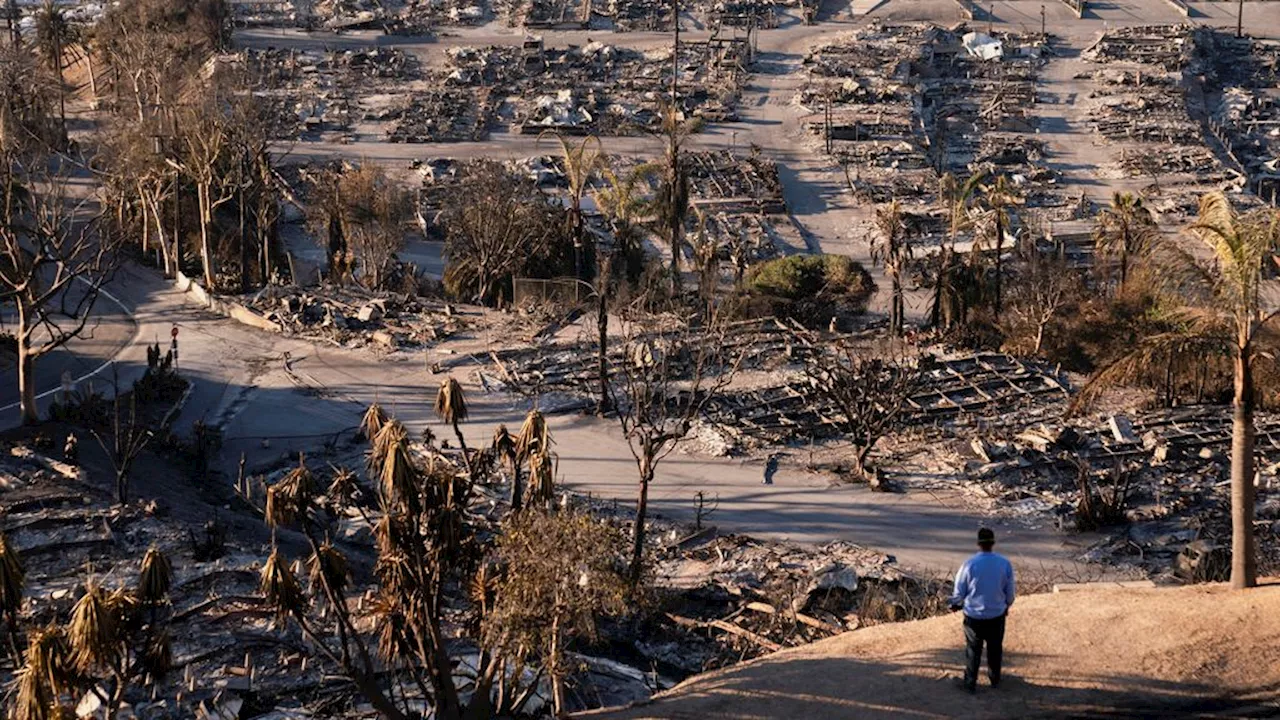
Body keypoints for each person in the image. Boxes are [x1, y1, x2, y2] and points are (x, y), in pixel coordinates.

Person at [949, 527, 1016, 694]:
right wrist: (1006, 605)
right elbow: (1010, 593)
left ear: (978, 543)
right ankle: (995, 678)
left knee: (973, 649)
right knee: (995, 648)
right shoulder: (1004, 563)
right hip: (996, 614)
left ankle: (970, 682)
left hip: (974, 616)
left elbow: (959, 592)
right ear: (993, 543)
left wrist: (955, 604)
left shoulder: (969, 565)